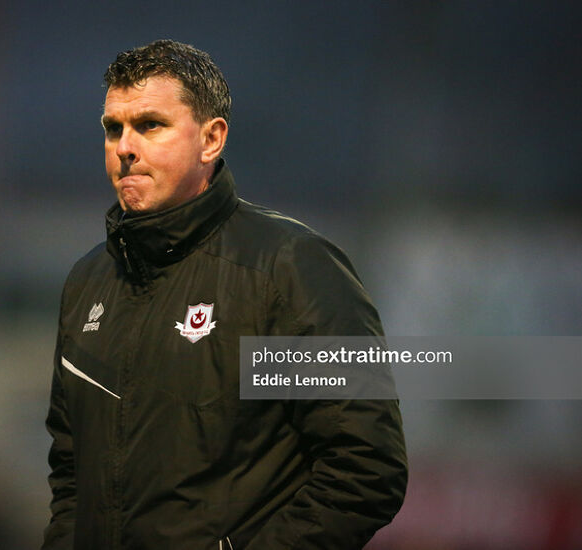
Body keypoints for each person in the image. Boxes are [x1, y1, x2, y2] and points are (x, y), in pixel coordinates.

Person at [43, 39, 407, 550]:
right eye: (113, 128)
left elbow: (365, 469)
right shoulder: (88, 283)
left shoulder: (288, 268)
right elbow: (70, 475)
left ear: (211, 140)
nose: (124, 146)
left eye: (150, 124)